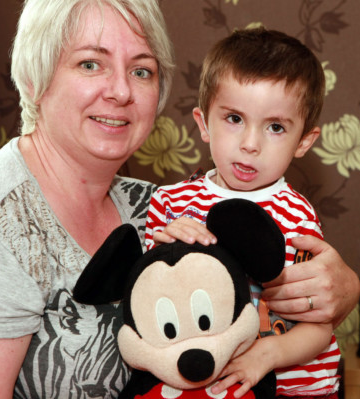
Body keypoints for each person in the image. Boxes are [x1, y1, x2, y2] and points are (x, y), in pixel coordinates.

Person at [0, 1, 359, 398]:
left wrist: (344, 289)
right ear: (34, 78)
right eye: (90, 63)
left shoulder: (156, 204)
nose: (120, 91)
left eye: (141, 70)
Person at [144, 28, 339, 399]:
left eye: (276, 127)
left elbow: (320, 327)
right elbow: (147, 305)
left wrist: (269, 353)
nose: (251, 144)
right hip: (206, 386)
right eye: (234, 119)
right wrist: (164, 250)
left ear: (304, 142)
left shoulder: (296, 217)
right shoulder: (169, 203)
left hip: (295, 390)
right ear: (204, 124)